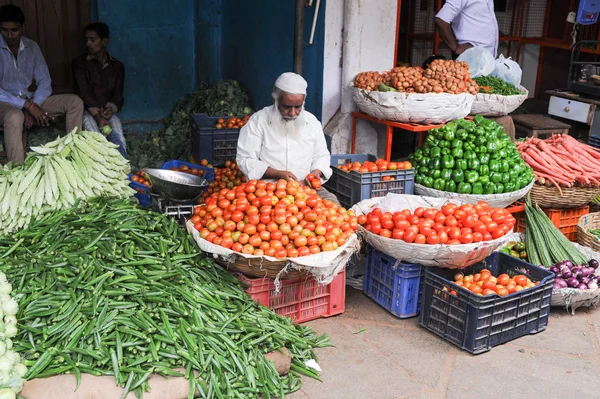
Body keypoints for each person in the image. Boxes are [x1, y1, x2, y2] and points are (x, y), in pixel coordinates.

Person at [236, 72, 338, 204]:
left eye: (298, 107)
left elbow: (322, 155)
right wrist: (276, 173)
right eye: (287, 107)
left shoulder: (312, 122)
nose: (293, 113)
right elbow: (244, 158)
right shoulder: (258, 121)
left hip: (306, 188)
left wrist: (317, 171)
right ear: (275, 99)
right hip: (268, 189)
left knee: (333, 204)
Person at [0, 4, 83, 164]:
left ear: (22, 28)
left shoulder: (32, 47)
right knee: (15, 115)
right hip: (4, 104)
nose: (9, 35)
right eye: (4, 30)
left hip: (29, 100)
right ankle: (17, 170)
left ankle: (73, 157)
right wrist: (27, 106)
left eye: (14, 30)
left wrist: (34, 105)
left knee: (74, 102)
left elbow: (45, 82)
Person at [72, 22, 127, 159]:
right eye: (86, 40)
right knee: (96, 138)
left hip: (107, 113)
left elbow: (118, 95)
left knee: (117, 135)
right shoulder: (80, 64)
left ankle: (123, 168)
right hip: (87, 111)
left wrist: (109, 110)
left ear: (104, 41)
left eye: (93, 39)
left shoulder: (117, 66)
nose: (88, 43)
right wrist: (98, 117)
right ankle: (102, 169)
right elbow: (84, 93)